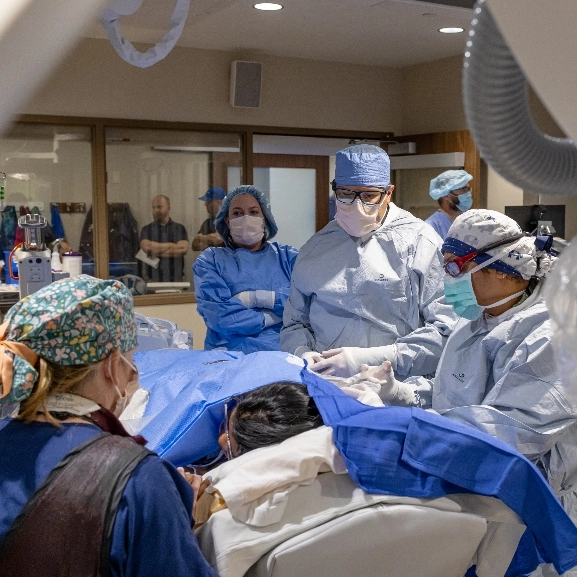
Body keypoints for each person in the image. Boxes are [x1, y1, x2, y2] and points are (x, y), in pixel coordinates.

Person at [357, 210, 577, 529]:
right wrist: (400, 393)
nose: (448, 279)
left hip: (537, 511)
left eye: (453, 266)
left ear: (501, 269)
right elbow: (459, 391)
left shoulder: (551, 337)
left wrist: (405, 429)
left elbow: (505, 434)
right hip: (475, 488)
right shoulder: (478, 317)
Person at [0, 275, 217, 577]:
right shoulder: (137, 478)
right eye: (132, 359)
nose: (135, 372)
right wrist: (169, 514)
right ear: (113, 367)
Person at [280, 144, 456, 379]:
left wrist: (375, 360)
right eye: (346, 194)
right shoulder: (317, 247)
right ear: (334, 190)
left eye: (369, 195)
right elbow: (294, 323)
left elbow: (446, 331)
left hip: (397, 386)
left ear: (389, 192)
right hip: (327, 384)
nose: (357, 205)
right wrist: (300, 351)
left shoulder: (419, 243)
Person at [193, 185, 298, 353]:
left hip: (283, 355)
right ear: (227, 220)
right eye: (237, 213)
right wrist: (273, 316)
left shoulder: (287, 257)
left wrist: (255, 298)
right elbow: (220, 316)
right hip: (228, 357)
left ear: (265, 218)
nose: (246, 218)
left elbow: (304, 303)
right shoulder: (210, 261)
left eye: (254, 212)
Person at [139, 195, 189, 282]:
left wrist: (154, 251)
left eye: (159, 207)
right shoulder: (146, 229)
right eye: (153, 207)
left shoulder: (179, 228)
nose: (156, 210)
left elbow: (183, 249)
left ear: (169, 208)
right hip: (152, 280)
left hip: (176, 280)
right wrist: (171, 245)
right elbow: (147, 248)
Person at [425, 169, 474, 239]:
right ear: (445, 194)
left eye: (468, 189)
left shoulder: (471, 220)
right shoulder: (431, 226)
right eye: (463, 189)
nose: (468, 193)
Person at [191, 186, 226, 251]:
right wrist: (210, 240)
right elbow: (195, 246)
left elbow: (217, 239)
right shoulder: (207, 223)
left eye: (209, 201)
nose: (205, 204)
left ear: (219, 202)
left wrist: (200, 237)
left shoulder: (228, 219)